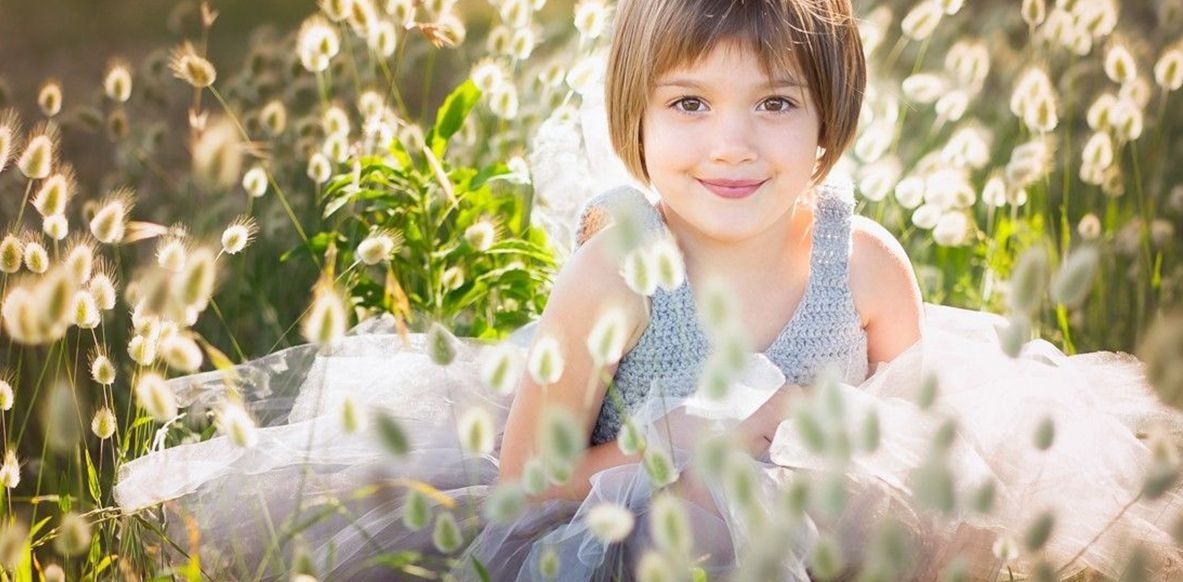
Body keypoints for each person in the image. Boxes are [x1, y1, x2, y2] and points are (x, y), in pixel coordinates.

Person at [115, 0, 1183, 580]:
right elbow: (528, 485)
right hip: (638, 529)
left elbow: (928, 457)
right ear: (634, 124)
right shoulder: (620, 272)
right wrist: (710, 440)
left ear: (827, 127)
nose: (729, 143)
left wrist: (830, 439)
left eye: (773, 103)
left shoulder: (862, 265)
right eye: (687, 102)